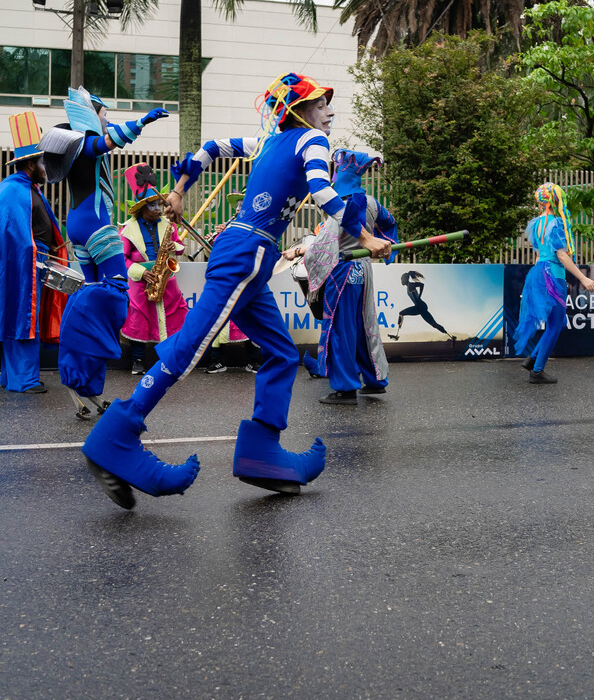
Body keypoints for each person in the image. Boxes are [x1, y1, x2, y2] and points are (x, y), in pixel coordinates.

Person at [81, 73, 392, 509]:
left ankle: (262, 451)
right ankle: (116, 435)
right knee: (191, 346)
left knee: (281, 353)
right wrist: (365, 235)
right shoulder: (311, 140)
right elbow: (322, 190)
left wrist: (180, 190)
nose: (330, 112)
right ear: (300, 111)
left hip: (246, 254)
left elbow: (210, 148)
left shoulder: (266, 142)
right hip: (247, 255)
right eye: (322, 105)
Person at [40, 87, 169, 414]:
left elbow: (107, 138)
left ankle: (81, 381)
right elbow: (109, 141)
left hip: (78, 226)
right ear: (90, 116)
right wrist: (142, 121)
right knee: (114, 297)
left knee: (93, 297)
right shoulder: (86, 144)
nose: (108, 121)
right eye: (104, 115)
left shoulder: (73, 146)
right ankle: (80, 371)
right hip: (97, 226)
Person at [291, 149, 397, 406]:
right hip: (363, 271)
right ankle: (375, 380)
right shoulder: (371, 203)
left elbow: (323, 246)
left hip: (341, 273)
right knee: (364, 326)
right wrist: (386, 246)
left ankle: (346, 388)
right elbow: (389, 224)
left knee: (340, 330)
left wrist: (299, 251)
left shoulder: (340, 207)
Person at [0, 113, 67, 393]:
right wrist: (35, 254)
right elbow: (14, 235)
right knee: (23, 318)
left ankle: (11, 377)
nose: (45, 167)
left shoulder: (28, 188)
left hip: (35, 261)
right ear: (30, 164)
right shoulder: (13, 189)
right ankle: (23, 380)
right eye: (42, 161)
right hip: (25, 263)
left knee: (25, 317)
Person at [513, 182, 594, 384]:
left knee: (558, 323)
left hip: (540, 272)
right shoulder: (556, 223)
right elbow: (562, 255)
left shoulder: (536, 224)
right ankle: (537, 371)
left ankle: (533, 359)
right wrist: (583, 278)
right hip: (552, 275)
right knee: (556, 324)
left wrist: (539, 279)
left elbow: (539, 255)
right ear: (555, 201)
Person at [119, 164, 188, 375]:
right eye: (152, 205)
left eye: (159, 204)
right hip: (141, 279)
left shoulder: (168, 224)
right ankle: (138, 360)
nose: (158, 208)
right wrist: (140, 272)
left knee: (174, 315)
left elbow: (180, 247)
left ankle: (170, 358)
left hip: (165, 276)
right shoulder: (127, 229)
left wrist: (174, 246)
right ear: (142, 208)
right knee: (139, 318)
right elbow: (122, 259)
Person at [387, 270, 455, 342]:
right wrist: (419, 297)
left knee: (401, 313)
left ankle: (397, 335)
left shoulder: (410, 285)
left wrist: (419, 296)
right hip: (420, 307)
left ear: (405, 279)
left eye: (401, 279)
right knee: (434, 324)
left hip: (420, 306)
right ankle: (452, 337)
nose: (401, 281)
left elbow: (422, 285)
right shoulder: (408, 286)